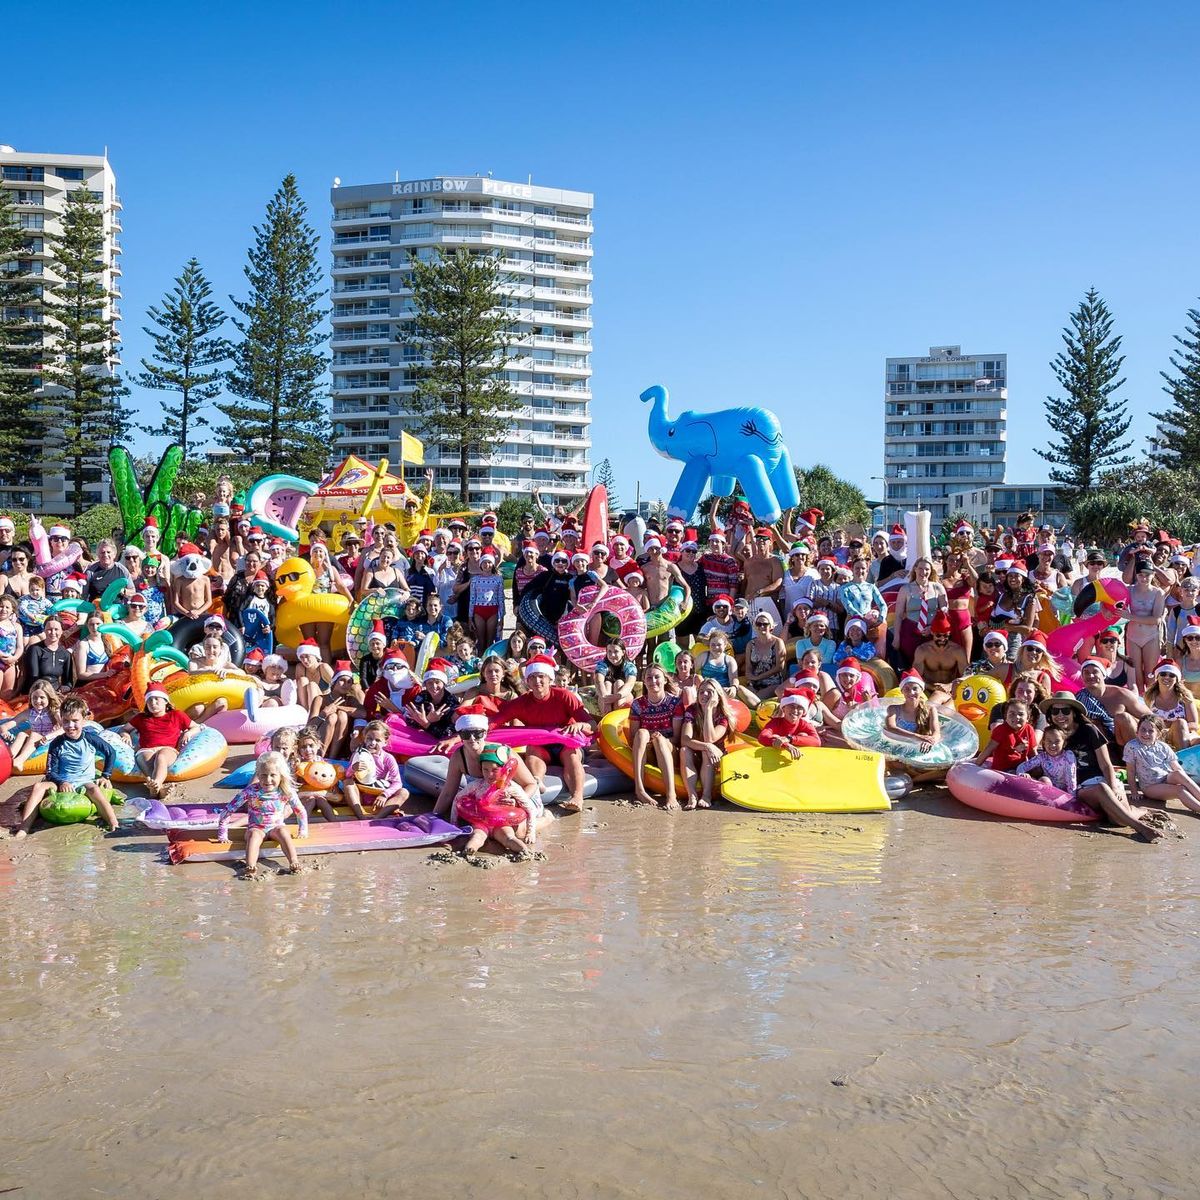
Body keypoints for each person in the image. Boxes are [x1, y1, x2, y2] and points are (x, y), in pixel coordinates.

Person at [1039, 692, 1163, 842]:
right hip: (1080, 788)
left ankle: (1141, 810)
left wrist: (1114, 787)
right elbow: (1041, 758)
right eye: (1055, 711)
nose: (1060, 715)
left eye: (1065, 711)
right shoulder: (1052, 736)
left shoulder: (1089, 730)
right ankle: (1141, 828)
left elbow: (1106, 764)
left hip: (1103, 779)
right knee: (1104, 794)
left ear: (1074, 713)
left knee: (1118, 821)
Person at [493, 654, 596, 814]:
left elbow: (592, 725)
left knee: (571, 754)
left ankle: (577, 797)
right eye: (532, 677)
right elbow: (494, 721)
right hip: (541, 748)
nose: (537, 681)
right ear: (527, 681)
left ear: (550, 679)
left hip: (567, 744)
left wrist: (580, 725)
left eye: (541, 676)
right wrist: (462, 735)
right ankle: (537, 782)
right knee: (532, 751)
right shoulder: (521, 703)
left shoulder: (564, 696)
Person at [14, 697, 119, 838]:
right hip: (60, 780)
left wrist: (105, 775)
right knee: (38, 787)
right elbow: (50, 771)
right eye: (66, 721)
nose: (70, 726)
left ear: (84, 720)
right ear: (61, 720)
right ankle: (24, 828)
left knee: (94, 789)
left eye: (75, 721)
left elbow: (110, 752)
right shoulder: (57, 743)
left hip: (83, 780)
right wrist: (62, 782)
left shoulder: (91, 739)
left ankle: (114, 824)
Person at [215, 751, 307, 876]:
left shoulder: (286, 791)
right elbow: (228, 810)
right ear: (258, 774)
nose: (268, 780)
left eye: (272, 775)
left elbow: (300, 810)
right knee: (254, 836)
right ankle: (250, 866)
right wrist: (223, 835)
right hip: (256, 828)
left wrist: (303, 831)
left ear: (281, 775)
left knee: (284, 832)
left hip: (276, 827)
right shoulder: (251, 791)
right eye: (263, 775)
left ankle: (294, 862)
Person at [453, 743, 543, 857]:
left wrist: (531, 832)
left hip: (502, 823)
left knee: (508, 838)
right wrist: (454, 823)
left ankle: (525, 851)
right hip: (481, 821)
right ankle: (469, 850)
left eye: (495, 770)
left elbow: (529, 808)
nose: (489, 774)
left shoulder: (511, 788)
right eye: (485, 769)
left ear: (504, 770)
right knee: (477, 836)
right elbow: (457, 799)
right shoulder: (477, 785)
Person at [120, 685, 195, 799]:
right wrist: (126, 735)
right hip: (146, 749)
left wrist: (188, 733)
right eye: (149, 700)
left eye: (156, 699)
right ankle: (158, 789)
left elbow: (196, 727)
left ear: (165, 701)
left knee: (161, 757)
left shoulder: (177, 715)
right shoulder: (141, 718)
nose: (153, 703)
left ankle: (156, 787)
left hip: (168, 749)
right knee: (145, 758)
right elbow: (124, 729)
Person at [1123, 713, 1200, 818]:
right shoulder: (1132, 746)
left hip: (1165, 778)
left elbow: (1176, 766)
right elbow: (1130, 771)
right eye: (1143, 729)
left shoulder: (1163, 746)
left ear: (1158, 734)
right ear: (1137, 731)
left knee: (1178, 774)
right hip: (1150, 786)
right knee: (1180, 790)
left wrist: (1184, 778)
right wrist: (1134, 792)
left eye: (1151, 731)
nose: (1146, 733)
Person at [628, 664, 682, 809]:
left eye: (657, 677)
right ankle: (639, 789)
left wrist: (659, 739)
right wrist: (650, 738)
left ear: (665, 680)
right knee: (641, 733)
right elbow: (633, 737)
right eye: (649, 678)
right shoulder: (638, 704)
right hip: (649, 751)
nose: (653, 681)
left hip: (670, 750)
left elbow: (677, 738)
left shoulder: (675, 703)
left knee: (659, 739)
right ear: (644, 682)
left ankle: (671, 794)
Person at [678, 677, 734, 809]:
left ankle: (707, 795)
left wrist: (708, 710)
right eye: (701, 691)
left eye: (709, 691)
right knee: (684, 750)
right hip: (699, 752)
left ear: (718, 696)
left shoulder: (722, 715)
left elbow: (710, 738)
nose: (704, 695)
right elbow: (684, 740)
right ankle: (692, 795)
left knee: (706, 752)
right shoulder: (692, 710)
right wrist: (707, 746)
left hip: (716, 755)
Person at [343, 719, 407, 819]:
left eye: (377, 740)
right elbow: (346, 776)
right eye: (369, 738)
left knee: (404, 792)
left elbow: (397, 782)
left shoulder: (388, 758)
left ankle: (378, 817)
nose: (372, 743)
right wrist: (353, 769)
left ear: (385, 742)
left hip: (379, 797)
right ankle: (361, 815)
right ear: (364, 738)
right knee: (348, 782)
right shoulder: (358, 754)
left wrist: (384, 795)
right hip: (360, 795)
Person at [894, 558, 947, 666]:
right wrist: (896, 638)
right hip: (910, 632)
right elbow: (898, 615)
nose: (923, 572)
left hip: (933, 633)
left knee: (932, 664)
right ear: (915, 569)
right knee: (912, 664)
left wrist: (933, 628)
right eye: (920, 568)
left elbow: (945, 611)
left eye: (927, 569)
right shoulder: (905, 589)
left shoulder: (938, 587)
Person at [1124, 561, 1166, 691]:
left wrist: (1130, 617)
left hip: (1151, 636)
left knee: (1151, 673)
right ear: (1136, 575)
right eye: (1141, 574)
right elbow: (1111, 599)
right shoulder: (1129, 590)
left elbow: (1156, 620)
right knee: (1135, 674)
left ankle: (1152, 704)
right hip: (1133, 636)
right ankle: (1140, 705)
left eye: (1147, 575)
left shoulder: (1158, 592)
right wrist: (1105, 609)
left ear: (1153, 575)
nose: (1144, 578)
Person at [4, 679, 62, 771]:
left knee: (33, 734)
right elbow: (10, 723)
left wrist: (48, 736)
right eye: (34, 697)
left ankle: (20, 760)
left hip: (49, 739)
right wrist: (4, 730)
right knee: (21, 734)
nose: (38, 701)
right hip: (35, 739)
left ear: (49, 697)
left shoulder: (54, 711)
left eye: (42, 697)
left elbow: (64, 728)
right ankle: (7, 760)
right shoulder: (29, 713)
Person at [1142, 658, 1199, 749]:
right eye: (1163, 674)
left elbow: (1194, 724)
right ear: (1157, 677)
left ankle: (1183, 758)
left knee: (1181, 724)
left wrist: (1176, 727)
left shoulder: (1185, 697)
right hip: (1159, 735)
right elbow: (1144, 722)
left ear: (1176, 679)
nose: (1167, 677)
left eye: (1172, 675)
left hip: (1186, 734)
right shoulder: (1149, 697)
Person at [884, 670, 941, 754]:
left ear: (922, 690)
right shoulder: (894, 709)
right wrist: (917, 737)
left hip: (918, 749)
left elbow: (937, 732)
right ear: (901, 691)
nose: (911, 692)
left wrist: (931, 741)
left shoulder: (931, 710)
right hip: (896, 746)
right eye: (907, 689)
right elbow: (891, 727)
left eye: (915, 689)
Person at [758, 685, 822, 758]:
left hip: (800, 759)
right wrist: (785, 744)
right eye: (791, 706)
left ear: (804, 712)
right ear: (784, 708)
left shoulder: (805, 724)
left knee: (803, 735)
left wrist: (790, 739)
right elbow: (762, 737)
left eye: (799, 707)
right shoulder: (775, 722)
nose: (795, 710)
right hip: (774, 758)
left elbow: (817, 742)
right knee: (775, 737)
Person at [973, 699, 1037, 770]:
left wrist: (1040, 768)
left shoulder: (1029, 729)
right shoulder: (1000, 730)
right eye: (1012, 713)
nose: (1017, 717)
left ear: (1027, 718)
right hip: (1003, 769)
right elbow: (988, 750)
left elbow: (1032, 752)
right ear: (1005, 716)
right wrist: (975, 766)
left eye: (1021, 714)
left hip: (1021, 767)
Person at [1013, 724, 1078, 793]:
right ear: (1044, 742)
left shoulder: (1068, 755)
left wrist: (1072, 797)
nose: (1053, 745)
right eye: (1049, 741)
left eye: (1057, 741)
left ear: (1064, 743)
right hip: (1047, 791)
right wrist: (1022, 774)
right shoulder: (1042, 757)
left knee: (1044, 779)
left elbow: (1071, 779)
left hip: (1064, 793)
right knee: (1042, 780)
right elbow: (1022, 766)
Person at [744, 610, 787, 700]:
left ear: (771, 626)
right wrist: (751, 678)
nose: (762, 626)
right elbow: (748, 667)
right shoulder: (750, 644)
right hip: (754, 681)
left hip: (773, 682)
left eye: (765, 624)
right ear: (755, 626)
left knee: (757, 699)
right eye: (759, 624)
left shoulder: (778, 642)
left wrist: (758, 677)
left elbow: (779, 667)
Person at [22, 615, 73, 692]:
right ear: (44, 630)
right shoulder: (34, 649)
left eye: (56, 629)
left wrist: (66, 687)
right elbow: (33, 677)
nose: (53, 632)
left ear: (62, 631)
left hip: (56, 692)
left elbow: (68, 681)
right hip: (36, 692)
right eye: (49, 629)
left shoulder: (66, 654)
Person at [595, 639, 637, 716]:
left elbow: (630, 683)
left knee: (619, 683)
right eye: (609, 652)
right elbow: (599, 682)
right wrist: (605, 699)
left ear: (623, 652)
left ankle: (616, 717)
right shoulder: (602, 665)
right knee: (607, 684)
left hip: (623, 695)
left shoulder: (629, 666)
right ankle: (607, 718)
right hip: (606, 695)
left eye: (616, 651)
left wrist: (617, 696)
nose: (612, 655)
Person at [71, 607, 111, 683]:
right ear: (87, 625)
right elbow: (80, 674)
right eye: (91, 624)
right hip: (88, 685)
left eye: (98, 624)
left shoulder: (106, 641)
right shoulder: (83, 644)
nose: (95, 627)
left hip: (104, 683)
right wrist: (105, 674)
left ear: (103, 624)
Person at [84, 538, 129, 603]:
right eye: (102, 552)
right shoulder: (90, 572)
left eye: (108, 552)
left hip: (116, 610)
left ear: (114, 554)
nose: (105, 555)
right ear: (98, 554)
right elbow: (83, 596)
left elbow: (132, 591)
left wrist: (123, 591)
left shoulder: (122, 569)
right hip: (96, 609)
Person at [0, 594, 25, 699]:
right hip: (1, 659)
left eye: (7, 607)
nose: (3, 609)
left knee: (7, 695)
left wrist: (14, 658)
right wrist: (2, 657)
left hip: (10, 663)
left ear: (12, 610)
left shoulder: (17, 627)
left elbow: (20, 647)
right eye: (1, 606)